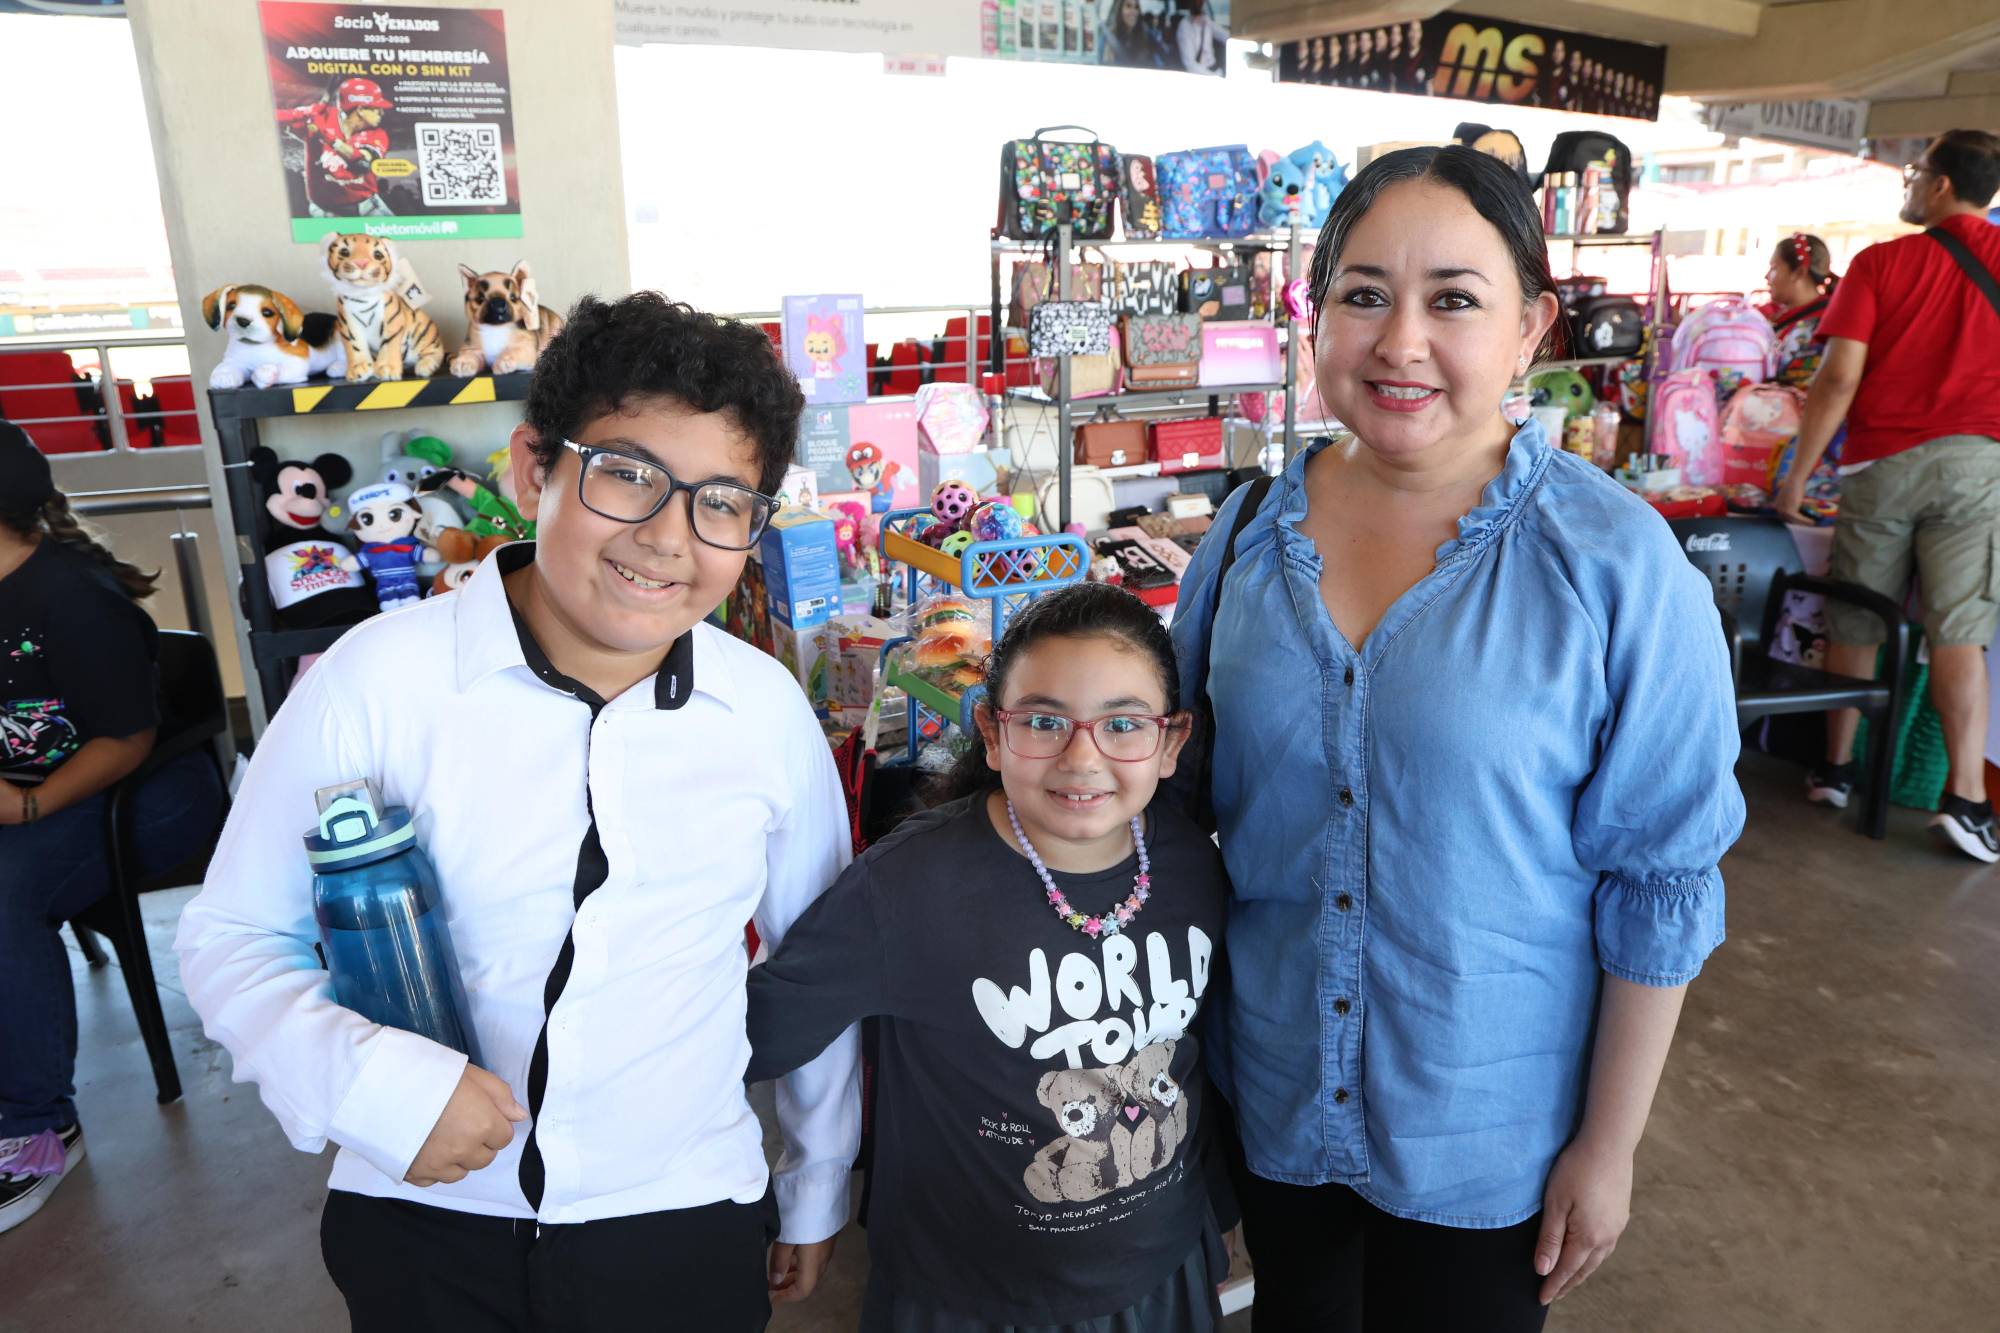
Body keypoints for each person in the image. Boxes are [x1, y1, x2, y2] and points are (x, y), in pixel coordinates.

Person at [177, 293, 860, 1331]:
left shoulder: (761, 709)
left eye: (721, 500)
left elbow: (815, 967)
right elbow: (232, 934)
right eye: (628, 475)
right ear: (532, 467)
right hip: (427, 1214)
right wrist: (369, 1084)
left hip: (680, 1214)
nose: (670, 538)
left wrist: (817, 1182)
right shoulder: (379, 679)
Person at [1172, 146, 1745, 1330]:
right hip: (1273, 1094)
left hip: (1491, 1136)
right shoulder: (1236, 541)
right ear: (1314, 311)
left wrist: (1608, 1143)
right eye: (1362, 293)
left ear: (1531, 325)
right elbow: (1178, 812)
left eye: (1453, 299)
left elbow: (1659, 875)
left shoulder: (1615, 564)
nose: (1398, 343)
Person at [745, 582, 1232, 1332]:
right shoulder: (909, 885)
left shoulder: (1193, 864)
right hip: (966, 1297)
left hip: (1156, 1272)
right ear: (993, 732)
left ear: (1171, 742)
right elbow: (757, 1029)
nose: (1082, 757)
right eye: (1044, 721)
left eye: (1123, 724)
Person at [0, 419, 227, 1234]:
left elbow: (125, 739)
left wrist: (23, 805)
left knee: (5, 894)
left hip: (146, 796)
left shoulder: (71, 598)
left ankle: (32, 1124)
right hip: (39, 787)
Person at [1776, 130, 2000, 859]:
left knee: (1857, 616)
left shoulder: (1881, 263)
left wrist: (1799, 474)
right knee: (1958, 630)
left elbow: (1838, 378)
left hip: (1882, 465)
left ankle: (1834, 768)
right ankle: (1966, 799)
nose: (1908, 186)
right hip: (1976, 466)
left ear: (1939, 186)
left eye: (1915, 174)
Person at [276, 76, 395, 218]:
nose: (382, 113)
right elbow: (271, 118)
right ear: (361, 109)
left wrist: (326, 136)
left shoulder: (377, 134)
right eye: (377, 109)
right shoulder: (323, 117)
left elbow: (361, 164)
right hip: (325, 211)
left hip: (368, 208)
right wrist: (307, 111)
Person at [1765, 232, 1841, 388]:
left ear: (1799, 272)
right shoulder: (1774, 313)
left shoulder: (1817, 326)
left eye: (1774, 268)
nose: (1766, 276)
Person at [1099, 0, 1164, 68]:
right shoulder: (1108, 40)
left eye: (1136, 7)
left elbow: (1160, 64)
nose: (1133, 11)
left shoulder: (1148, 36)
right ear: (1120, 10)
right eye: (1128, 6)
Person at [1174, 0, 1226, 74]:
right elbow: (1190, 64)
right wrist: (1214, 76)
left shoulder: (1206, 20)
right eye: (1196, 1)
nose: (1200, 2)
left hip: (1214, 67)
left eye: (1201, 1)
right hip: (1200, 72)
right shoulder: (1185, 27)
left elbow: (1223, 35)